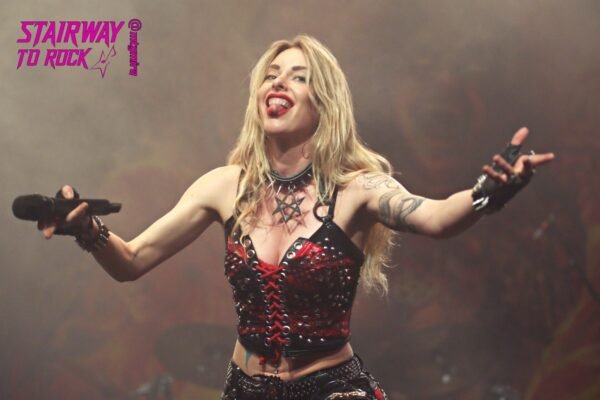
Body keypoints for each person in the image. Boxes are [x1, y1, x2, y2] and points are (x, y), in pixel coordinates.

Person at [39, 35, 554, 399]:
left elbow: (438, 218)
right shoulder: (224, 185)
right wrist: (87, 229)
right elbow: (131, 260)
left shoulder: (356, 189)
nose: (278, 83)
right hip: (244, 389)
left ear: (323, 102)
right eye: (271, 75)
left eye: (297, 77)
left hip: (330, 390)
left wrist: (490, 191)